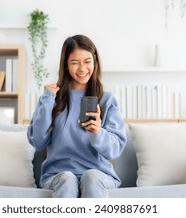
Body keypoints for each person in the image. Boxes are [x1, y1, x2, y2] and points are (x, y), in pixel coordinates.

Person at [27, 34, 126, 198]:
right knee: (67, 178)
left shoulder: (107, 100)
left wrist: (97, 133)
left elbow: (114, 150)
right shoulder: (51, 98)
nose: (82, 69)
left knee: (91, 177)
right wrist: (46, 100)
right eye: (74, 62)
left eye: (87, 62)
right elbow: (37, 141)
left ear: (95, 61)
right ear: (66, 65)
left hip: (99, 175)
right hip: (57, 176)